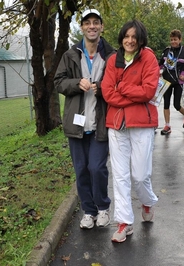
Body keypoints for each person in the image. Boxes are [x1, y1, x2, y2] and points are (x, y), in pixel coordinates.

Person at [54, 9, 115, 230]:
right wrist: (75, 83)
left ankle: (103, 208)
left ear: (101, 26)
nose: (92, 26)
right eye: (87, 23)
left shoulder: (111, 55)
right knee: (81, 169)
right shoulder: (70, 55)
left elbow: (118, 86)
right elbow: (58, 81)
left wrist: (103, 90)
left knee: (97, 167)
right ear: (82, 28)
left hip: (100, 123)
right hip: (76, 123)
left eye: (96, 22)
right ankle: (89, 211)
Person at [101, 19, 159, 243]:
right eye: (126, 36)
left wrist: (123, 88)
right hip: (116, 124)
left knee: (140, 174)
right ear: (121, 38)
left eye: (134, 37)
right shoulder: (113, 60)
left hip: (142, 124)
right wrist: (128, 97)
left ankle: (148, 201)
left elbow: (148, 91)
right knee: (120, 175)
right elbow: (107, 92)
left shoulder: (149, 58)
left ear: (140, 39)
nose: (130, 40)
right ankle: (125, 222)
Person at [158, 29, 184, 135]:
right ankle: (167, 125)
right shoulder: (166, 51)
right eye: (171, 40)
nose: (173, 42)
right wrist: (159, 71)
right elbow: (160, 64)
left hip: (178, 82)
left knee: (176, 105)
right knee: (166, 104)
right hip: (166, 81)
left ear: (180, 40)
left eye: (175, 39)